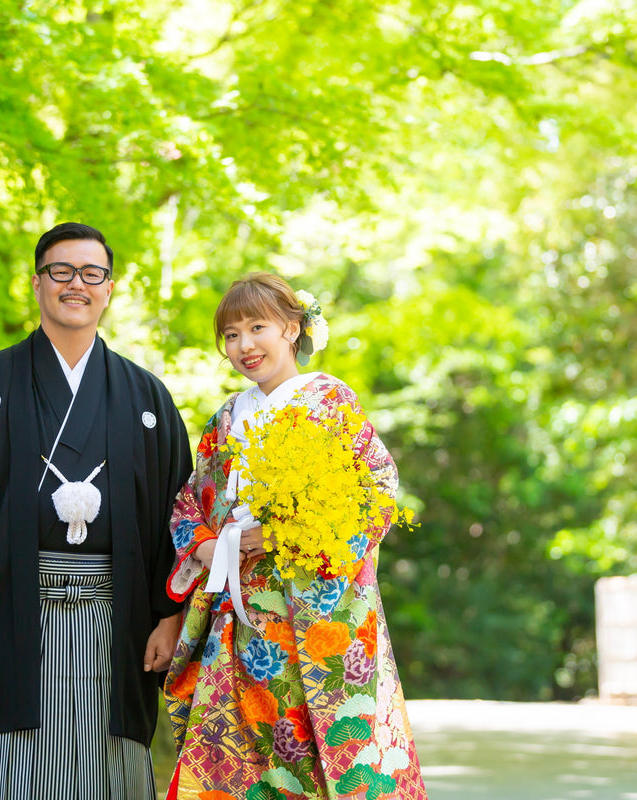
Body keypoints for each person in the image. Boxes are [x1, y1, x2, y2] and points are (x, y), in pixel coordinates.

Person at [0, 222, 192, 799]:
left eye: (92, 273)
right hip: (5, 610)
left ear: (108, 289)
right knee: (3, 761)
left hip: (117, 613)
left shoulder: (145, 396)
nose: (76, 284)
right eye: (61, 271)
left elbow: (175, 517)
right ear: (37, 283)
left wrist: (169, 616)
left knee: (105, 762)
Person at [162, 273, 429, 800]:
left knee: (323, 752)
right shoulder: (225, 418)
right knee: (246, 755)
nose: (244, 345)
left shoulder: (329, 399)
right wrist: (206, 546)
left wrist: (286, 533)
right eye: (231, 335)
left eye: (257, 327)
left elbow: (375, 487)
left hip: (319, 609)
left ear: (291, 328)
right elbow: (191, 501)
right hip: (242, 616)